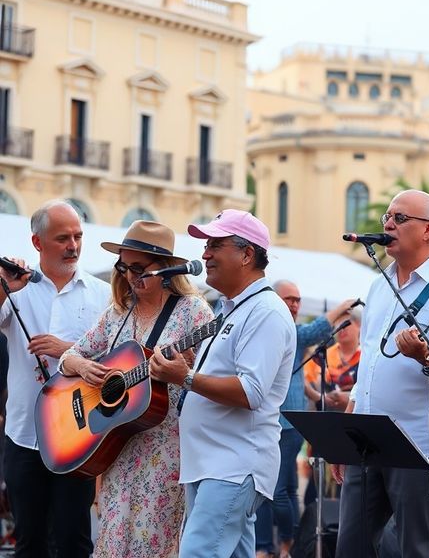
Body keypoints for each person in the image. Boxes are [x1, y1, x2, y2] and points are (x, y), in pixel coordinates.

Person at [332, 189, 429, 558]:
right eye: (387, 216)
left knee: (415, 547)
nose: (387, 224)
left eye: (399, 218)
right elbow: (368, 363)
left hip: (416, 441)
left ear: (428, 230)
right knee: (351, 546)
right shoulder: (379, 285)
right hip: (367, 437)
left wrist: (428, 355)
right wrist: (348, 427)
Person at [59, 220, 214, 558]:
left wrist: (187, 370)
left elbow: (212, 378)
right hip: (117, 444)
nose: (130, 276)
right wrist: (83, 366)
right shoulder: (117, 313)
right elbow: (68, 358)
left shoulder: (193, 312)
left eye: (139, 268)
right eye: (124, 266)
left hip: (165, 446)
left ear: (167, 269)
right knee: (112, 540)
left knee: (151, 541)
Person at [149, 209, 296, 558]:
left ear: (247, 255)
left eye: (215, 244)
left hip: (233, 464)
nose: (205, 254)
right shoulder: (231, 308)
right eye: (206, 245)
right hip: (213, 462)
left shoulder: (266, 312)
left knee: (198, 552)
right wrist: (186, 367)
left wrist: (183, 376)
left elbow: (250, 391)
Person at [0, 199, 110, 557]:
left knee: (73, 540)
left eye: (78, 236)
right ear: (37, 243)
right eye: (63, 238)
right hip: (24, 435)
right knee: (28, 541)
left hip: (77, 438)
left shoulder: (102, 294)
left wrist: (67, 351)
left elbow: (117, 359)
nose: (73, 246)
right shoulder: (17, 289)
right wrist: (5, 287)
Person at [255, 281, 354, 558]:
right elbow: (315, 333)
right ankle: (275, 544)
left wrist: (317, 395)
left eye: (298, 300)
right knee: (274, 489)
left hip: (289, 424)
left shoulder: (293, 333)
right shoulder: (277, 331)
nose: (295, 305)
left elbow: (297, 377)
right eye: (289, 299)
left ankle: (284, 543)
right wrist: (339, 309)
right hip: (269, 421)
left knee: (280, 490)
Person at [304, 307, 362, 411]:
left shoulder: (366, 356)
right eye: (337, 324)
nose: (341, 328)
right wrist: (318, 396)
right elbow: (304, 379)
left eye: (345, 323)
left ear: (359, 325)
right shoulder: (322, 355)